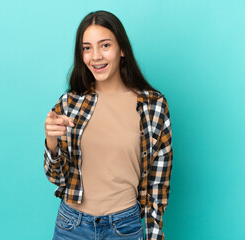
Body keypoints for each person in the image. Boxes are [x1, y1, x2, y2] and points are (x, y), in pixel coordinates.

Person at [44, 10, 173, 240]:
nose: (95, 56)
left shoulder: (153, 106)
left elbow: (157, 185)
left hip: (124, 228)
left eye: (105, 45)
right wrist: (51, 143)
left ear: (122, 49)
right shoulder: (70, 102)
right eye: (87, 48)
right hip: (71, 225)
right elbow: (57, 177)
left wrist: (154, 235)